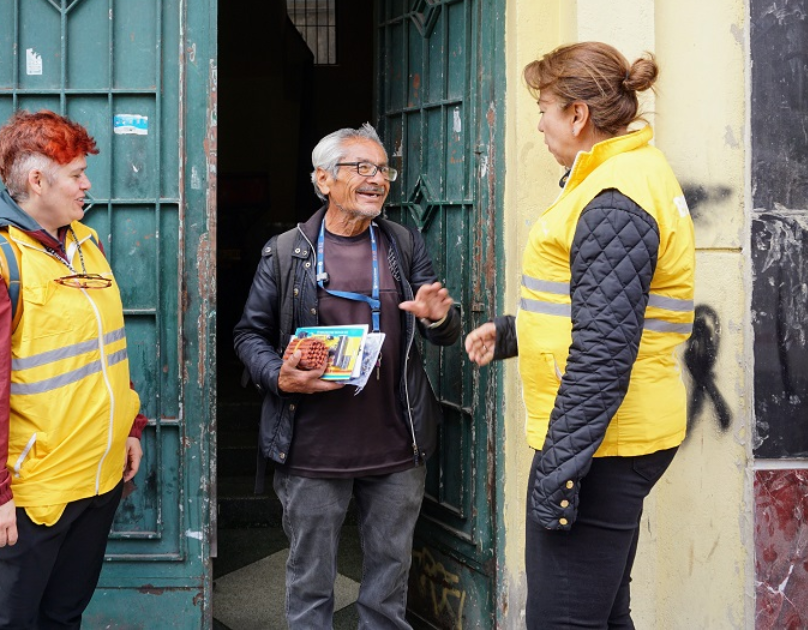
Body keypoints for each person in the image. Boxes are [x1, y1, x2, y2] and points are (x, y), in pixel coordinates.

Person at [464, 43, 695, 628]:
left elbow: (603, 353)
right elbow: (599, 308)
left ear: (577, 114)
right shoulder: (621, 174)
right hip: (612, 436)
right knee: (605, 615)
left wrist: (559, 472)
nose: (538, 121)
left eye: (543, 106)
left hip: (601, 445)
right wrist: (515, 332)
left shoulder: (613, 197)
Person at [233, 123, 461, 629]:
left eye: (383, 169)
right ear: (323, 178)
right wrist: (279, 377)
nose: (377, 179)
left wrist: (438, 318)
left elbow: (441, 331)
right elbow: (248, 335)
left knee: (388, 584)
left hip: (397, 446)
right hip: (312, 448)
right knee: (310, 583)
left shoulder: (402, 243)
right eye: (362, 168)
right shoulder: (286, 251)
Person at [0, 110, 146, 629]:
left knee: (63, 618)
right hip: (25, 497)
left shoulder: (85, 245)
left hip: (94, 484)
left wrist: (130, 427)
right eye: (76, 173)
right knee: (8, 624)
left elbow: (105, 353)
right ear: (37, 180)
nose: (86, 184)